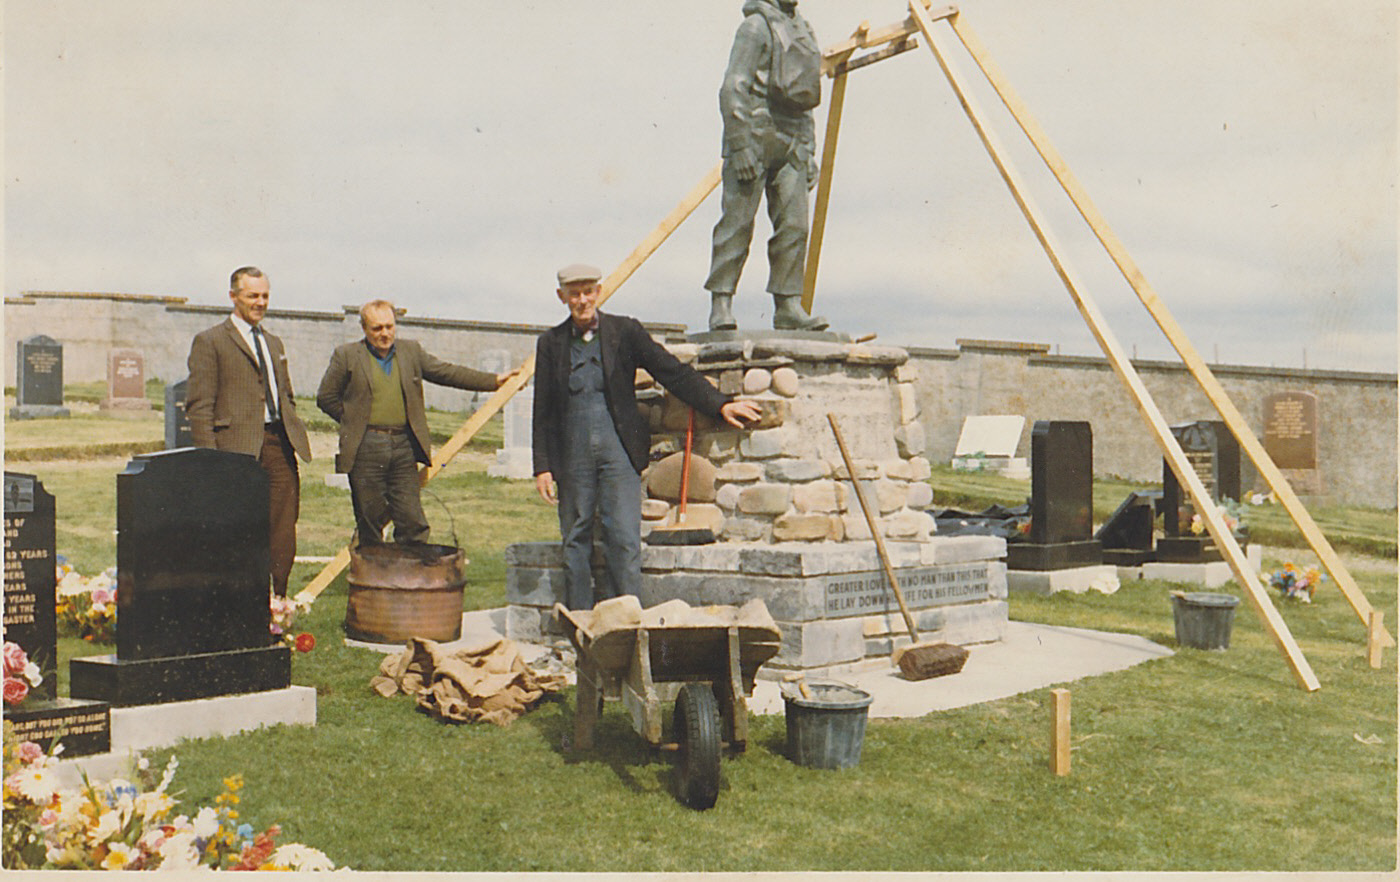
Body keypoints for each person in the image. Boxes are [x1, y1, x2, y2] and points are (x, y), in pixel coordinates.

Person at [533, 264, 762, 610]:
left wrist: (720, 405)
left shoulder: (624, 331)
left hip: (618, 451)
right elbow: (543, 410)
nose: (582, 300)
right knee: (575, 539)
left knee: (623, 537)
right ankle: (580, 625)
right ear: (561, 297)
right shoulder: (550, 344)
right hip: (573, 454)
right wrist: (543, 466)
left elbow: (672, 371)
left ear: (599, 291)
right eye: (574, 293)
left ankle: (627, 623)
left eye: (588, 291)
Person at [316, 299, 514, 548]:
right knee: (370, 519)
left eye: (389, 326)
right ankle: (373, 581)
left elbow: (447, 372)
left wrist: (494, 380)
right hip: (366, 447)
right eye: (377, 328)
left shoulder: (411, 352)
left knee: (412, 519)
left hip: (403, 446)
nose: (385, 333)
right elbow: (325, 397)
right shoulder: (346, 355)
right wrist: (354, 422)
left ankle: (410, 578)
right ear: (364, 329)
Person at [186, 266, 313, 596]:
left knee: (283, 529)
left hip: (279, 446)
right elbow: (200, 408)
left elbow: (285, 395)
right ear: (233, 297)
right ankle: (238, 602)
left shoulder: (273, 342)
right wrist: (210, 462)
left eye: (265, 295)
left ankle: (278, 603)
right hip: (236, 451)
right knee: (237, 530)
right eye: (252, 295)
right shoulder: (211, 341)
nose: (260, 302)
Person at [704, 0, 828, 333]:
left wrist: (809, 149)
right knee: (737, 223)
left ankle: (788, 305)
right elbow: (733, 87)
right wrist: (740, 145)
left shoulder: (804, 31)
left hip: (792, 140)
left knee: (795, 226)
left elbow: (806, 96)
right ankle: (721, 302)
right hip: (754, 134)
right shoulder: (755, 27)